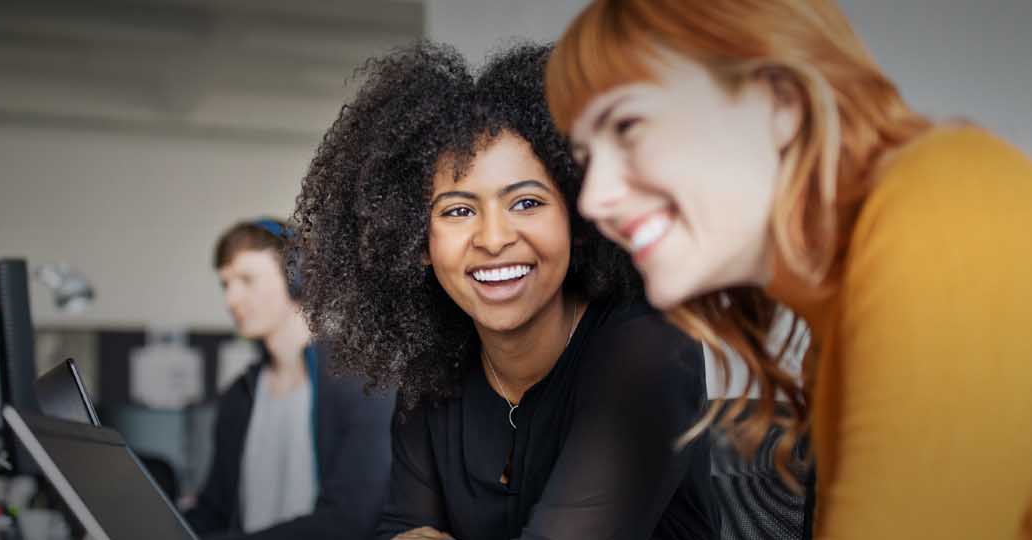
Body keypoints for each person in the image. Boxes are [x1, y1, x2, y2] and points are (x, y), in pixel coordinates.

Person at [545, 0, 1032, 538]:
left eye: (628, 127)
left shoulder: (947, 202)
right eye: (585, 155)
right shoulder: (834, 325)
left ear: (779, 101)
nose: (594, 197)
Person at [293, 42, 795, 540]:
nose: (493, 239)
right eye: (458, 211)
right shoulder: (432, 375)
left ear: (579, 218)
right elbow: (399, 529)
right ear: (416, 241)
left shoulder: (649, 354)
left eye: (527, 202)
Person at [184, 218, 395, 540]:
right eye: (226, 284)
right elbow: (215, 510)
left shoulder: (362, 384)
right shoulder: (239, 397)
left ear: (297, 278)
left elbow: (349, 521)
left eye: (247, 280)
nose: (231, 299)